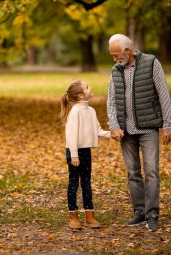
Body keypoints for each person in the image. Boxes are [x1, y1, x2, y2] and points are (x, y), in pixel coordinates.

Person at [107, 34, 171, 232]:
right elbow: (111, 100)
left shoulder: (152, 63)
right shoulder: (115, 70)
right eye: (112, 55)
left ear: (128, 50)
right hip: (125, 131)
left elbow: (163, 94)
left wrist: (167, 125)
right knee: (133, 173)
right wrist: (113, 125)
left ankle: (152, 215)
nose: (114, 59)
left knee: (151, 172)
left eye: (116, 54)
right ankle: (140, 212)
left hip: (148, 128)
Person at [60, 80, 110, 230]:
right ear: (81, 95)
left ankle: (90, 217)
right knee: (74, 183)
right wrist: (74, 155)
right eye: (87, 87)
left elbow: (98, 131)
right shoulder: (75, 112)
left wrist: (113, 134)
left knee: (87, 183)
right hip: (74, 152)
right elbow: (71, 135)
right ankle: (73, 218)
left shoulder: (91, 111)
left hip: (86, 151)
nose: (91, 88)